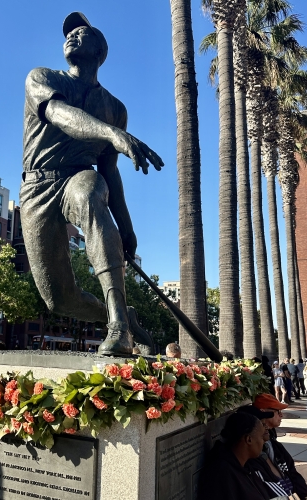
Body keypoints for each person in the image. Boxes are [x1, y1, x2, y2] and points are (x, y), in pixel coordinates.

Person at [20, 12, 163, 357]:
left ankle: (118, 327)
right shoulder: (42, 77)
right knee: (59, 299)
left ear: (100, 50)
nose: (70, 37)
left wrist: (126, 228)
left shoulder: (114, 107)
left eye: (81, 33)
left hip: (78, 178)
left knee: (89, 192)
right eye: (69, 34)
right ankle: (120, 316)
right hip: (37, 187)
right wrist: (113, 134)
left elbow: (109, 172)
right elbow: (59, 115)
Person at [197, 412, 270, 500]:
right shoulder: (222, 473)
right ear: (249, 439)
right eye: (261, 437)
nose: (264, 441)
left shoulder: (244, 465)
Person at [253, 393, 307, 499]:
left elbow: (292, 472)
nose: (281, 415)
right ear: (263, 412)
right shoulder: (253, 453)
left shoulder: (273, 443)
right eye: (277, 411)